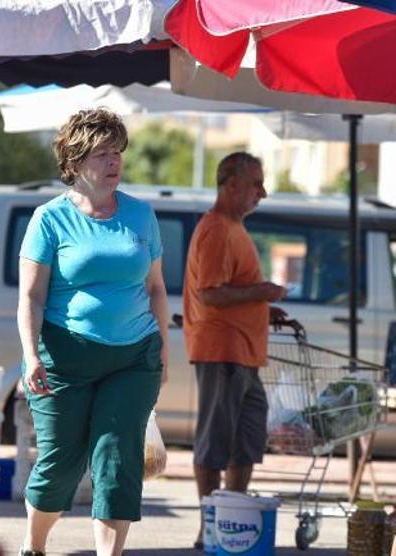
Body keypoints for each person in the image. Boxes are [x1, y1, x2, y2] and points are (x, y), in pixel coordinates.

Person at [17, 108, 169, 556]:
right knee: (61, 462)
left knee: (118, 461)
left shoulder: (141, 216)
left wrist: (161, 351)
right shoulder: (50, 219)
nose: (113, 162)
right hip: (65, 356)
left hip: (134, 356)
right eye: (101, 153)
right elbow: (31, 297)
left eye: (117, 152)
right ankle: (35, 545)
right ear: (76, 160)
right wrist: (31, 355)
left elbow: (157, 288)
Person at [182, 152, 287, 550]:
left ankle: (230, 518)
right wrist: (261, 293)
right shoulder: (216, 229)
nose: (263, 192)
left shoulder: (234, 228)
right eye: (257, 183)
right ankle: (209, 525)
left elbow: (230, 291)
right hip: (220, 350)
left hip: (244, 353)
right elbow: (211, 294)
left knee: (247, 440)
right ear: (232, 185)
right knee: (214, 442)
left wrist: (263, 306)